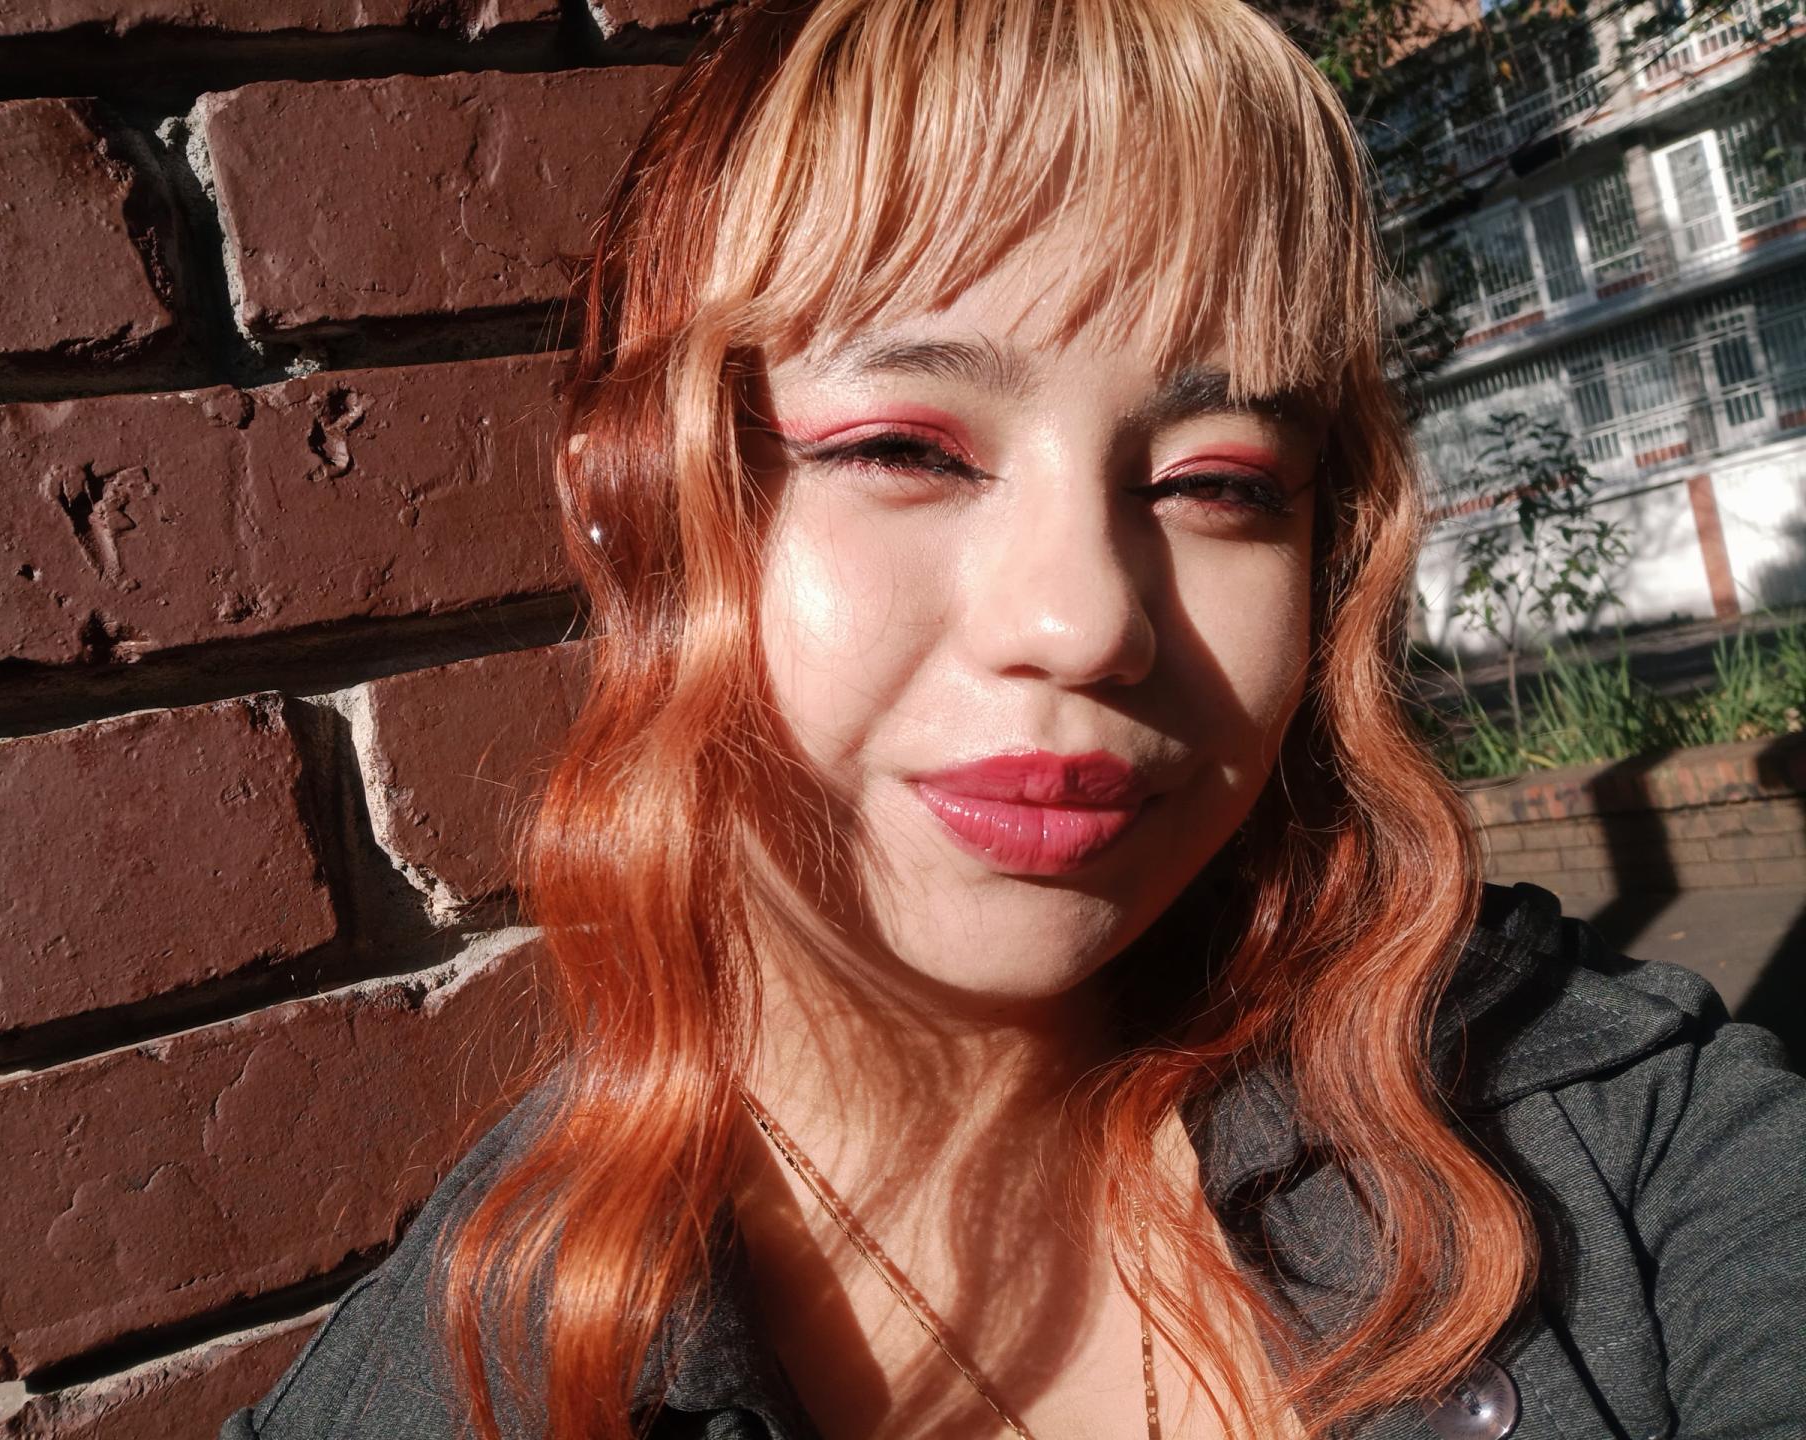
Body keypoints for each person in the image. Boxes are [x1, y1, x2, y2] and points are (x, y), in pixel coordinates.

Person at [220, 1, 1806, 1437]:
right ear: (632, 513)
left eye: (1218, 482)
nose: (1088, 619)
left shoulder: (1603, 1131)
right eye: (905, 450)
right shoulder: (441, 1396)